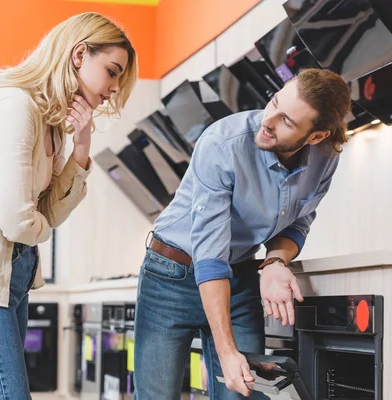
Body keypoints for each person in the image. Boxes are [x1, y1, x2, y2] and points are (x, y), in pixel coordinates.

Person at [0, 12, 137, 399]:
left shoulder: (50, 125)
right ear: (79, 55)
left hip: (11, 277)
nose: (114, 87)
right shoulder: (14, 107)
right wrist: (38, 224)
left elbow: (48, 213)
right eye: (112, 71)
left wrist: (83, 147)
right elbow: (16, 222)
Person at [134, 68, 351, 399]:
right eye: (274, 103)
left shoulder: (325, 157)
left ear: (316, 136)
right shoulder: (222, 144)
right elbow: (210, 256)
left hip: (238, 279)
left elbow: (297, 221)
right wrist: (226, 353)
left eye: (287, 122)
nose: (269, 120)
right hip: (171, 278)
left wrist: (275, 262)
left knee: (243, 393)